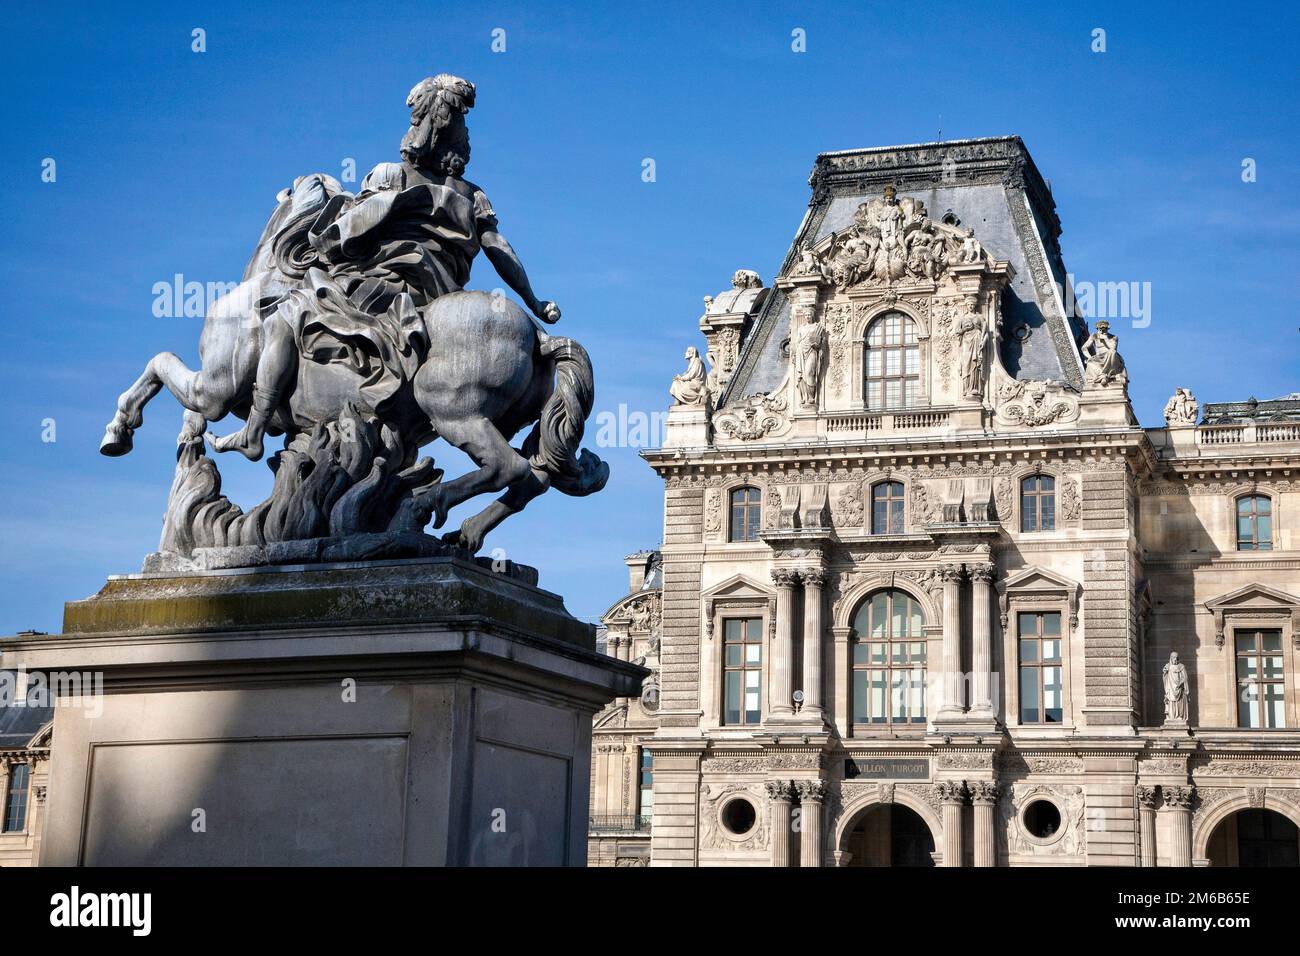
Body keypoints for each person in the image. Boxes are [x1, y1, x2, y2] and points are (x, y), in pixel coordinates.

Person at [211, 74, 559, 460]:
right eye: (462, 129)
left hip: (382, 285)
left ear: (419, 126)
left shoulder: (391, 175)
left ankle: (254, 429)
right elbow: (500, 250)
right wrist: (534, 301)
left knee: (285, 316)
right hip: (439, 299)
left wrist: (324, 236)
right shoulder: (473, 195)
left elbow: (354, 227)